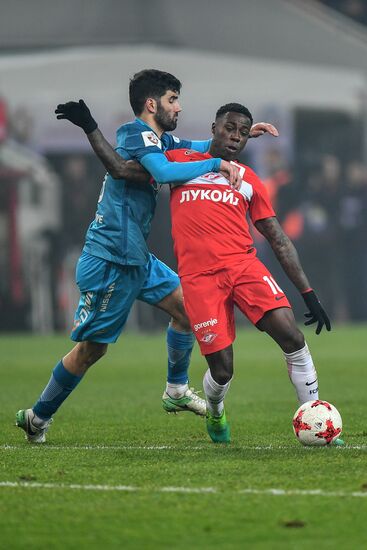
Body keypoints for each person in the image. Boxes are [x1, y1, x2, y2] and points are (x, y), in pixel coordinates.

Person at [16, 70, 276, 443]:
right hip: (110, 258)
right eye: (173, 99)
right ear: (152, 103)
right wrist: (217, 164)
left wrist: (240, 135)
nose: (179, 107)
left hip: (135, 255)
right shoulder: (136, 134)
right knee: (91, 350)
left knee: (188, 309)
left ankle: (175, 389)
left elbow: (199, 144)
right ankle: (37, 417)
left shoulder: (161, 138)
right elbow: (165, 170)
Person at [164, 103, 344, 445]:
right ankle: (215, 412)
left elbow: (278, 238)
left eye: (243, 133)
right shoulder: (179, 161)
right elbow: (143, 151)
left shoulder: (249, 180)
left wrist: (308, 293)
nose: (235, 136)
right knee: (222, 370)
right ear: (214, 127)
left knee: (291, 335)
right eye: (229, 128)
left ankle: (317, 420)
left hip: (243, 266)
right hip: (200, 278)